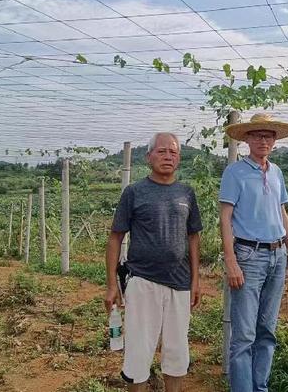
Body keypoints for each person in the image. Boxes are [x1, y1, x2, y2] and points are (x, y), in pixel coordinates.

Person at [104, 132, 202, 392]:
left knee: (177, 351)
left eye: (173, 152)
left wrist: (195, 280)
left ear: (179, 158)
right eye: (162, 151)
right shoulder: (134, 192)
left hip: (180, 284)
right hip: (142, 281)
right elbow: (115, 238)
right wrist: (111, 284)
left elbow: (193, 237)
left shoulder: (187, 193)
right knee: (138, 350)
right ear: (149, 157)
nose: (168, 156)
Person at [219, 113, 288, 392]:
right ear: (247, 139)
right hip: (249, 256)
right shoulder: (235, 172)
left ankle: (260, 386)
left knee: (267, 330)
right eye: (257, 135)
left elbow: (282, 213)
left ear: (274, 140)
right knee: (244, 334)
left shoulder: (276, 172)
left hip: (277, 255)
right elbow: (225, 217)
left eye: (268, 136)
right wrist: (231, 260)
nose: (263, 140)